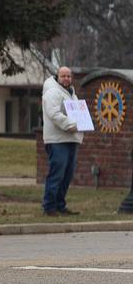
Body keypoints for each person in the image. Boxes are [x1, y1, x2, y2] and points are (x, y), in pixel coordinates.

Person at [41, 66, 83, 216]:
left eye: (69, 76)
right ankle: (49, 207)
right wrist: (72, 125)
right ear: (57, 77)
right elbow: (54, 114)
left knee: (67, 175)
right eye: (63, 76)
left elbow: (78, 115)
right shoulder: (52, 92)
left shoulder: (72, 94)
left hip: (71, 139)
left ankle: (60, 205)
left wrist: (83, 124)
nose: (66, 79)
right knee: (57, 174)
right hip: (57, 140)